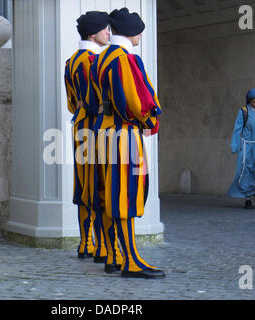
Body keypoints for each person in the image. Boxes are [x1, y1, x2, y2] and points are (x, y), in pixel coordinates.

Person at [88, 7, 165, 279]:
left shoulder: (99, 59)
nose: (141, 35)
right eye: (139, 31)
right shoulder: (124, 59)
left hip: (101, 133)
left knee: (109, 195)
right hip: (124, 134)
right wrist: (148, 120)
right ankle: (130, 261)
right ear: (131, 32)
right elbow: (136, 102)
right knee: (125, 196)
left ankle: (114, 256)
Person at [64, 11, 123, 270]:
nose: (109, 34)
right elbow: (94, 101)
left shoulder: (70, 61)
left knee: (83, 183)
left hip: (80, 126)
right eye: (104, 30)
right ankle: (100, 246)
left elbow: (71, 103)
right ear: (92, 33)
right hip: (96, 127)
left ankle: (85, 243)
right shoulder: (93, 61)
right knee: (99, 185)